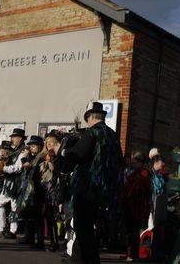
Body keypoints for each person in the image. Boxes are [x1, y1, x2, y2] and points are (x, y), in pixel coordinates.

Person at [63, 101, 124, 264]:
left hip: (87, 186)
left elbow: (77, 154)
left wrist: (63, 152)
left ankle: (90, 261)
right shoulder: (113, 135)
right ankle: (77, 259)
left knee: (83, 228)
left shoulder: (92, 133)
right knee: (85, 227)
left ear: (90, 117)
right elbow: (120, 162)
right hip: (104, 189)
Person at [0, 128, 27, 239]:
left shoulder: (23, 152)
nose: (12, 139)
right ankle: (1, 228)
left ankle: (13, 231)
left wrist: (3, 169)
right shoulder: (13, 151)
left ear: (20, 139)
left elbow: (17, 168)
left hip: (17, 183)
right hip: (7, 182)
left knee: (14, 207)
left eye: (14, 137)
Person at [121, 150, 152, 262]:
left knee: (133, 232)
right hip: (130, 206)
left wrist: (126, 191)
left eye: (135, 160)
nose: (132, 162)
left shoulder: (143, 174)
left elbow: (134, 190)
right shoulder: (134, 173)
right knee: (129, 231)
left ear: (141, 162)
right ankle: (128, 252)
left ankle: (133, 255)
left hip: (137, 207)